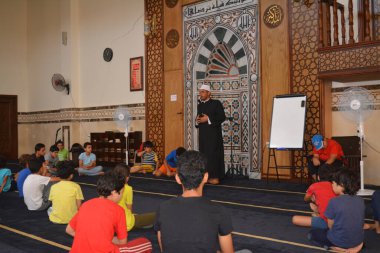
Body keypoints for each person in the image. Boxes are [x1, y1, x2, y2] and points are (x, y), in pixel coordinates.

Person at [154, 150, 234, 253]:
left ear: (178, 178)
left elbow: (163, 249)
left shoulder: (163, 208)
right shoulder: (219, 211)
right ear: (205, 177)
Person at [66, 172, 152, 253]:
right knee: (146, 243)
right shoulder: (118, 210)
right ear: (114, 193)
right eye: (121, 193)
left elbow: (69, 230)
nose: (122, 195)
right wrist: (104, 239)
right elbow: (122, 242)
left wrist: (94, 238)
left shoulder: (86, 204)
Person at [308, 169, 365, 252]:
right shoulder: (360, 200)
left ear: (341, 185)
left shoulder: (334, 201)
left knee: (312, 234)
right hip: (357, 241)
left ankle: (335, 248)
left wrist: (316, 212)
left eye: (333, 183)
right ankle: (357, 246)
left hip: (338, 241)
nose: (332, 185)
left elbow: (330, 226)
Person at [196, 84, 226, 185]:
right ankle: (206, 177)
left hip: (214, 135)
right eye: (200, 92)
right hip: (203, 135)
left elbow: (222, 117)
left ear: (209, 93)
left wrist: (208, 119)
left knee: (213, 155)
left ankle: (215, 177)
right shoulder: (200, 105)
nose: (201, 94)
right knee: (203, 155)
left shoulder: (216, 103)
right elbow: (199, 119)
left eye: (203, 91)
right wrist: (198, 121)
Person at [112, 163, 156, 231]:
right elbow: (129, 209)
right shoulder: (128, 188)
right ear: (127, 177)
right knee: (156, 215)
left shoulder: (109, 186)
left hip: (113, 224)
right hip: (127, 223)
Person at [292, 164, 337, 229]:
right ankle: (317, 214)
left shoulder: (314, 186)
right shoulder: (336, 187)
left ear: (318, 177)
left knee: (295, 219)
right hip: (338, 220)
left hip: (325, 221)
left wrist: (313, 199)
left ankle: (317, 215)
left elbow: (306, 199)